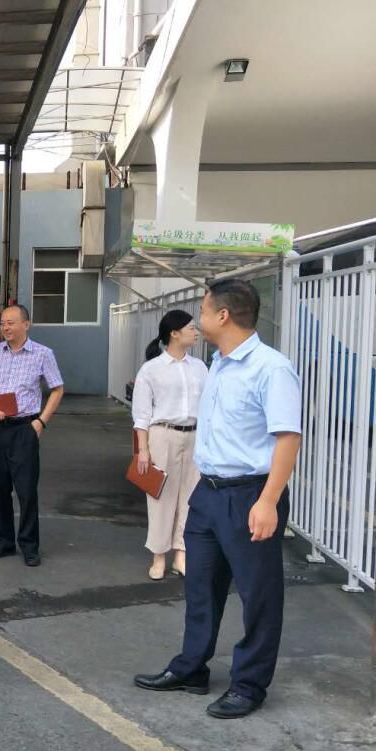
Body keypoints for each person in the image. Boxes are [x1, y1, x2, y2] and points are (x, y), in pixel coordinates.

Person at [135, 280, 302, 719]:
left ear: (223, 315)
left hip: (250, 494)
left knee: (258, 594)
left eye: (204, 310)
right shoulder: (219, 364)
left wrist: (268, 501)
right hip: (207, 493)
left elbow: (288, 438)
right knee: (201, 587)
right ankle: (191, 667)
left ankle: (249, 684)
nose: (199, 319)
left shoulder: (271, 368)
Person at [0, 304, 64, 567]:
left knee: (26, 490)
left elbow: (57, 389)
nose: (5, 328)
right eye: (2, 323)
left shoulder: (43, 354)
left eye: (11, 322)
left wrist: (40, 422)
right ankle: (3, 541)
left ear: (26, 324)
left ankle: (29, 545)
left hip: (24, 428)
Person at [131, 310, 208, 580]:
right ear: (174, 333)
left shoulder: (200, 367)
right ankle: (158, 555)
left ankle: (181, 554)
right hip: (162, 435)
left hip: (195, 435)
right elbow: (141, 415)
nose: (196, 332)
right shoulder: (151, 369)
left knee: (190, 497)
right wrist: (143, 450)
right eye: (191, 328)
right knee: (161, 497)